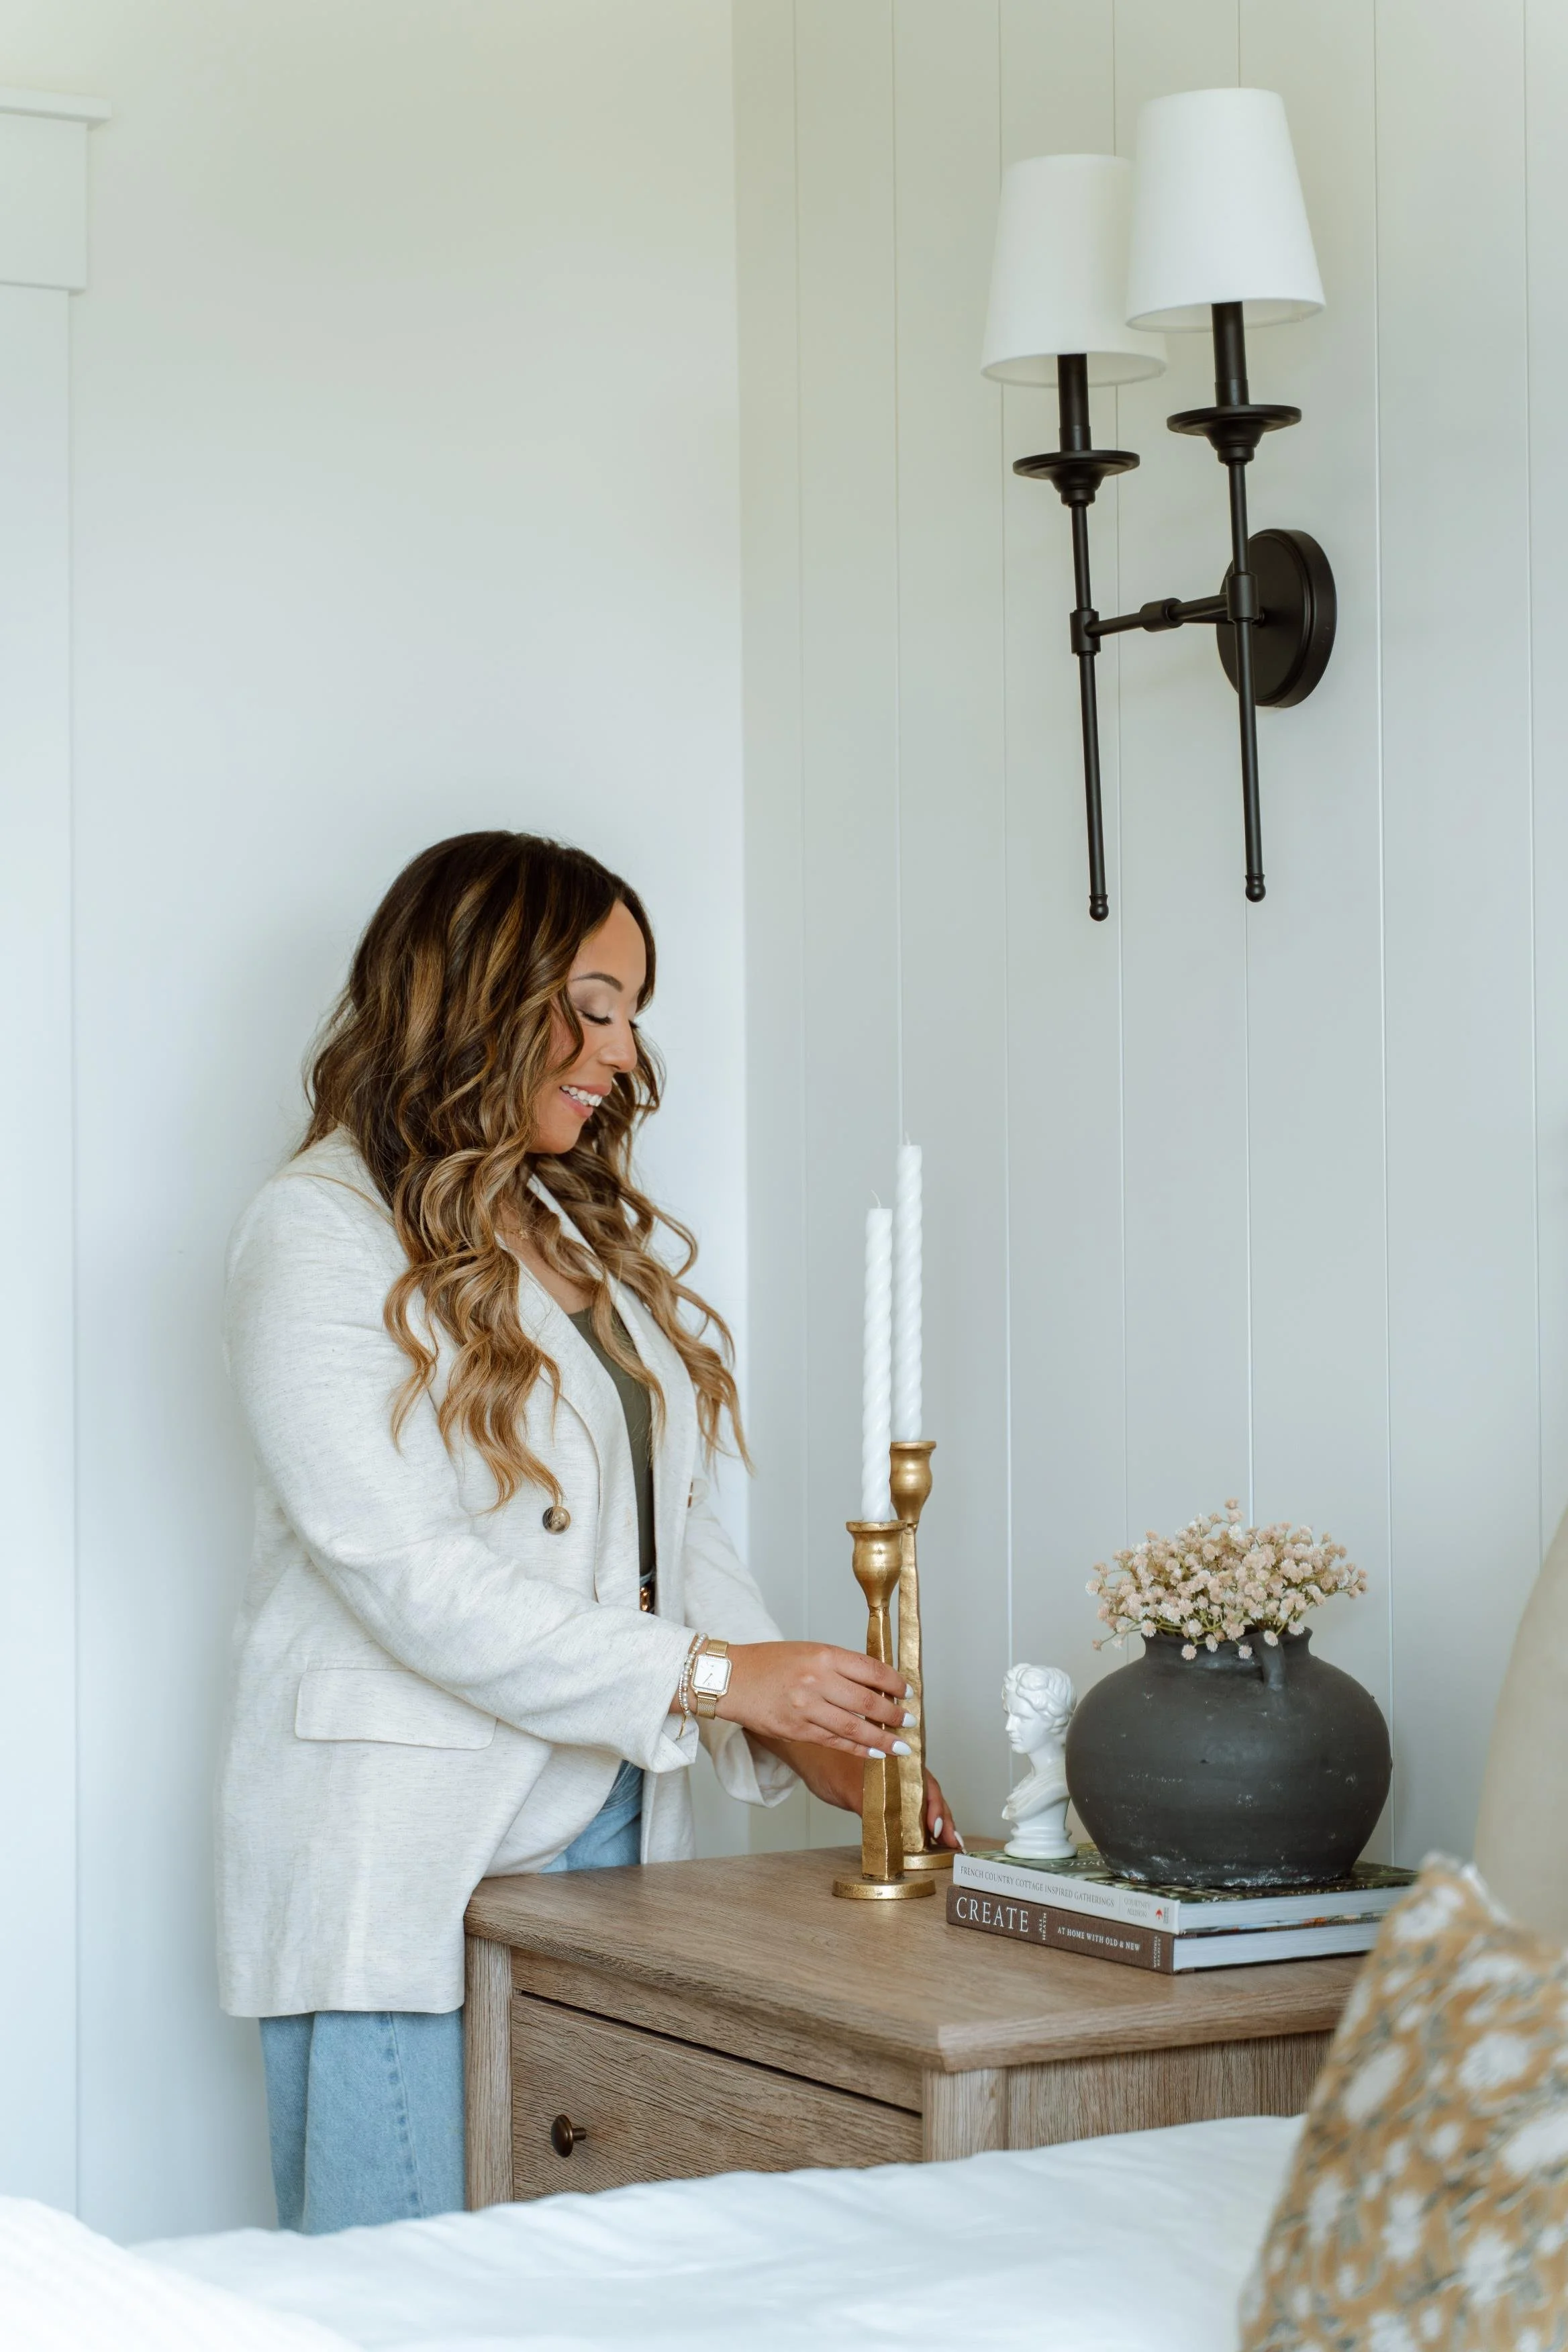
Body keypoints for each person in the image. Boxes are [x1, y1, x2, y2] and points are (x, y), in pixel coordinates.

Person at [217, 830, 958, 2234]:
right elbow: (404, 1571)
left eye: (633, 1013)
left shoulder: (555, 1216)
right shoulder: (315, 1231)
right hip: (404, 1862)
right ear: (480, 994)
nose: (621, 1052)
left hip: (604, 1841)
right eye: (597, 1002)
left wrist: (799, 1722)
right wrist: (718, 1681)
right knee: (406, 2317)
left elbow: (671, 1524)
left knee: (570, 2286)